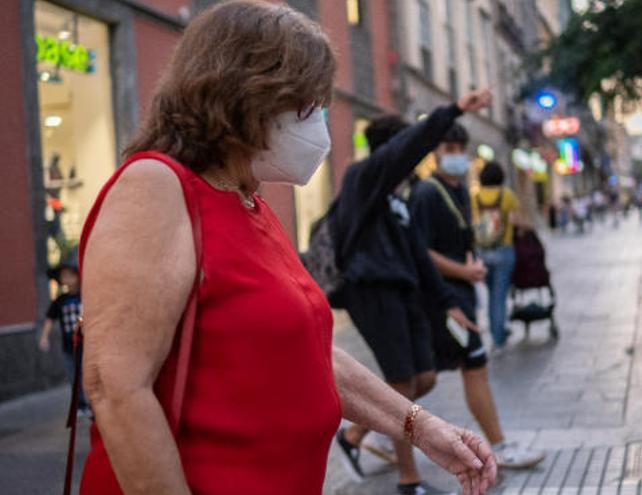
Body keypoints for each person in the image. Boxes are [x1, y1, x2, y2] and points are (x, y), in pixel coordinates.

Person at [75, 3, 495, 494]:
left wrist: (421, 427)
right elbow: (116, 386)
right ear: (245, 96)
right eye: (306, 104)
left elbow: (310, 351)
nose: (316, 120)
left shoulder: (248, 201)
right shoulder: (156, 187)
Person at [330, 90, 492, 495]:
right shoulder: (363, 179)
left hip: (404, 293)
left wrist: (449, 303)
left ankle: (351, 437)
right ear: (393, 152)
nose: (415, 161)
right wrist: (452, 109)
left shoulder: (396, 200)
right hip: (372, 291)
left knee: (425, 377)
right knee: (401, 384)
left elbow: (419, 257)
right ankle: (409, 482)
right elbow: (401, 152)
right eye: (410, 152)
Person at [410, 123, 546, 470]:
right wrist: (462, 274)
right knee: (475, 365)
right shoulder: (427, 193)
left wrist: (473, 265)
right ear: (436, 152)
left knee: (421, 377)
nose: (455, 154)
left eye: (460, 147)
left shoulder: (462, 192)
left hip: (460, 294)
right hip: (445, 300)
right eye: (448, 147)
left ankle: (363, 433)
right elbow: (421, 251)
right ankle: (500, 446)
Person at [472, 161, 521, 349]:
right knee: (499, 295)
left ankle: (495, 329)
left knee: (492, 292)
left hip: (482, 252)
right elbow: (516, 221)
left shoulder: (475, 196)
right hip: (503, 250)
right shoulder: (507, 195)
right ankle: (498, 335)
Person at [38, 263, 89, 417]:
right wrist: (44, 337)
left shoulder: (86, 296)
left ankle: (94, 404)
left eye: (69, 275)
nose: (66, 279)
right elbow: (49, 319)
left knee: (89, 375)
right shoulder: (60, 300)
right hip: (68, 347)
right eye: (63, 276)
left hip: (87, 345)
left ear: (77, 276)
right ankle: (80, 405)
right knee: (74, 377)